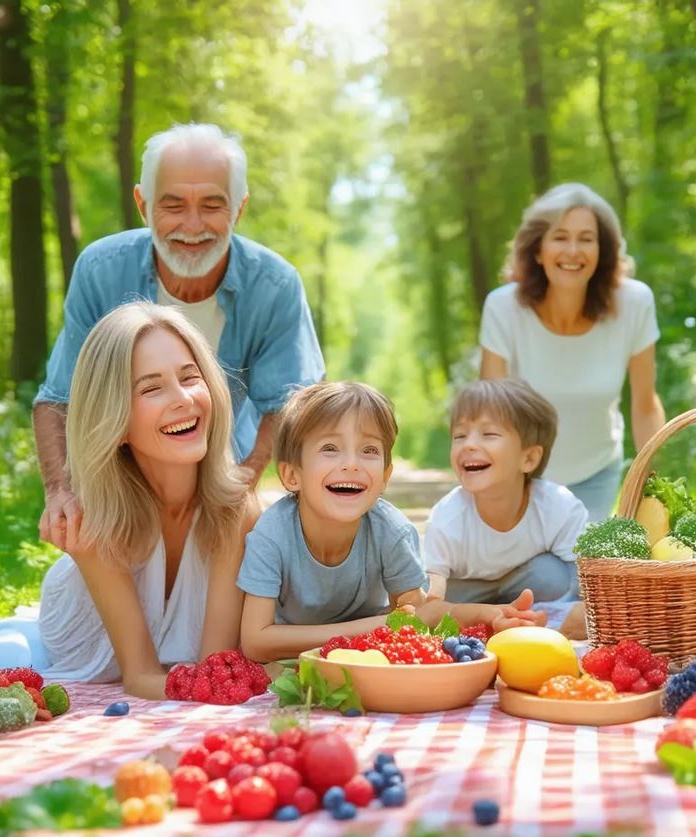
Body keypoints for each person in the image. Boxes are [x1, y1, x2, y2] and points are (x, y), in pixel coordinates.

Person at [34, 122, 324, 553]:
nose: (193, 226)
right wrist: (60, 491)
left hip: (222, 469)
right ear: (143, 204)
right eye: (173, 205)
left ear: (239, 210)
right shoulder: (101, 269)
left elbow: (290, 402)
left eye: (212, 205)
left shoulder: (276, 284)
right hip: (120, 475)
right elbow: (59, 397)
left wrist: (241, 487)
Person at [0, 304, 258, 698]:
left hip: (161, 677)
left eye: (190, 377)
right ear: (115, 421)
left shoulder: (235, 509)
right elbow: (138, 676)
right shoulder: (94, 518)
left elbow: (214, 670)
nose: (183, 399)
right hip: (61, 657)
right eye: (151, 388)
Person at [237, 381, 540, 662]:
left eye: (369, 450)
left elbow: (422, 614)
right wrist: (377, 625)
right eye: (330, 449)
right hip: (293, 661)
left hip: (368, 659)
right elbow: (255, 641)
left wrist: (487, 615)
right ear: (292, 475)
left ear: (384, 477)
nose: (352, 464)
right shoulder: (272, 534)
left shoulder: (390, 531)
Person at [479, 182, 665, 522]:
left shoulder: (634, 303)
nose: (573, 250)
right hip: (522, 479)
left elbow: (644, 404)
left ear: (602, 250)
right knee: (530, 572)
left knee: (576, 570)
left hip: (595, 474)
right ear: (538, 249)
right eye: (560, 237)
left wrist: (654, 487)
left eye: (586, 238)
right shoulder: (503, 307)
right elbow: (490, 412)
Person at [423, 379, 590, 637]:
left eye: (488, 434)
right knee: (442, 597)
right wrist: (474, 614)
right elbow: (428, 606)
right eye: (459, 436)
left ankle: (525, 621)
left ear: (529, 458)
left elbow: (587, 587)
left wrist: (569, 615)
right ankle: (492, 626)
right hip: (467, 599)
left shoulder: (559, 508)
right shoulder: (447, 519)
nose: (468, 444)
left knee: (553, 574)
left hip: (528, 591)